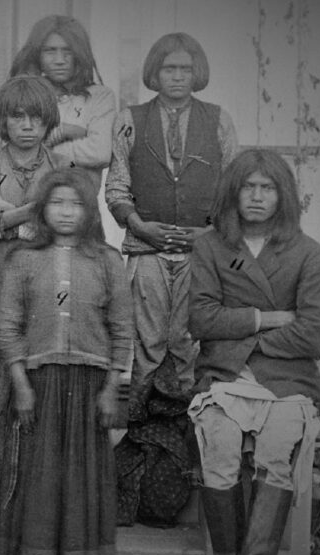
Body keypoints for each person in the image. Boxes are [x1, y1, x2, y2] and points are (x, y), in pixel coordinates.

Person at [105, 32, 239, 526]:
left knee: (186, 350)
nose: (177, 77)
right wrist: (139, 224)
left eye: (185, 69)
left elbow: (231, 190)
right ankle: (137, 468)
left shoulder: (219, 121)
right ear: (154, 73)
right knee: (149, 348)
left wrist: (209, 235)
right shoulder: (130, 120)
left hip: (200, 256)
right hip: (147, 251)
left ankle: (181, 470)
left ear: (196, 72)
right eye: (168, 70)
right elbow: (116, 184)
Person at [188, 149, 320, 555]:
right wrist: (265, 320)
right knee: (221, 447)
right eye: (248, 187)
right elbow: (201, 318)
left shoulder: (307, 252)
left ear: (282, 196)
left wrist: (244, 339)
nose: (257, 197)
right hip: (225, 377)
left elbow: (313, 333)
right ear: (234, 192)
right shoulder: (212, 246)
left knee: (276, 450)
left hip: (287, 378)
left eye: (267, 188)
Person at [0, 167, 130, 555]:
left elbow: (122, 327)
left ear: (89, 211)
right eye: (57, 203)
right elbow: (6, 325)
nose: (66, 212)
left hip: (89, 386)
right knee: (39, 475)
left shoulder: (107, 261)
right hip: (39, 383)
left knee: (82, 481)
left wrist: (110, 388)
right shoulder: (23, 260)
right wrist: (20, 383)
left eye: (75, 204)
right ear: (42, 209)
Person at [0, 74, 69, 496]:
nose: (26, 126)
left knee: (41, 387)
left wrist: (5, 210)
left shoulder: (61, 168)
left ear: (48, 123)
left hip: (48, 292)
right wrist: (17, 216)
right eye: (17, 117)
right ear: (3, 122)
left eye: (36, 118)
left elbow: (70, 226)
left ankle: (33, 492)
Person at [10, 15, 117, 241]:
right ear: (37, 54)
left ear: (80, 54)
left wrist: (45, 143)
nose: (59, 59)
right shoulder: (25, 95)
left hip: (82, 213)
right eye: (50, 51)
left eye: (67, 51)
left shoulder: (99, 97)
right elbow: (13, 153)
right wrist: (66, 130)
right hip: (31, 212)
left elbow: (100, 151)